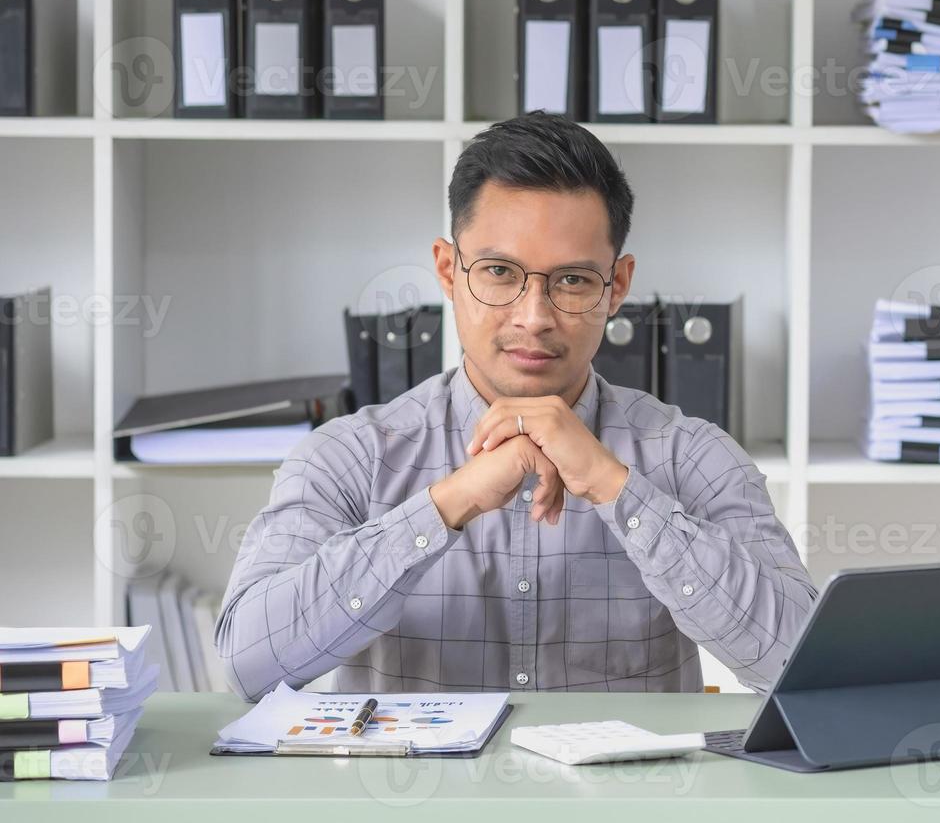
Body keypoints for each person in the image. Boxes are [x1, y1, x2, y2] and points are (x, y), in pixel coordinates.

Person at [215, 112, 815, 699]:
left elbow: (798, 662)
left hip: (626, 802)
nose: (534, 317)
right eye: (500, 272)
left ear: (618, 286)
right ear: (449, 271)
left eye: (574, 280)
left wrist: (616, 488)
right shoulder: (348, 456)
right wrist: (448, 504)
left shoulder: (691, 454)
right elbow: (249, 665)